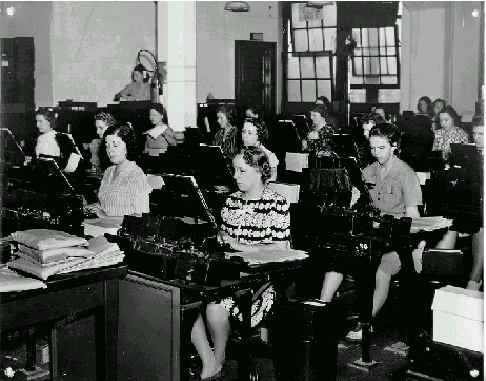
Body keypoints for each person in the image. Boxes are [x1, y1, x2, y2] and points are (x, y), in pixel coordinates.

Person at [190, 146, 290, 380]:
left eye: (242, 171)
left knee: (215, 308)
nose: (235, 176)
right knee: (185, 298)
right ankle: (210, 359)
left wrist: (239, 246)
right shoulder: (231, 201)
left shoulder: (277, 203)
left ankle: (217, 360)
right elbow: (225, 240)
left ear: (259, 171)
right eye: (234, 170)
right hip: (230, 274)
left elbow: (280, 249)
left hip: (261, 282)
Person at [320, 123, 423, 342]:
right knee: (338, 262)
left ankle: (366, 322)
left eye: (381, 148)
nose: (376, 153)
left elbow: (413, 217)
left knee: (381, 270)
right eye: (373, 148)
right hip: (372, 233)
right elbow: (355, 198)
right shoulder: (369, 170)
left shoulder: (406, 173)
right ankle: (320, 312)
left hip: (399, 239)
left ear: (394, 146)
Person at [85, 122, 151, 218]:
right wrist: (91, 207)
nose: (110, 150)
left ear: (128, 145)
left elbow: (140, 217)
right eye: (107, 145)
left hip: (121, 232)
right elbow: (107, 204)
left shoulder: (136, 175)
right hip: (103, 227)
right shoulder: (109, 172)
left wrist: (106, 217)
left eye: (115, 145)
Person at [35, 107, 83, 174]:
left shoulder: (57, 138)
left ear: (50, 121)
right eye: (37, 121)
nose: (37, 125)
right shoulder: (40, 138)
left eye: (40, 121)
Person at [466, 117, 484, 290]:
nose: (476, 138)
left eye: (481, 134)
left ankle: (473, 282)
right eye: (474, 133)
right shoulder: (473, 157)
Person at [241, 117, 278, 182]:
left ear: (259, 135)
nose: (244, 136)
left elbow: (271, 182)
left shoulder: (269, 156)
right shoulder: (242, 153)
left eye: (249, 133)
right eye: (243, 132)